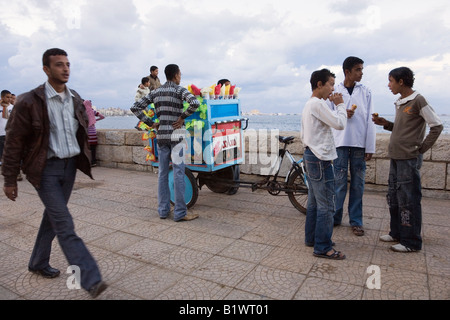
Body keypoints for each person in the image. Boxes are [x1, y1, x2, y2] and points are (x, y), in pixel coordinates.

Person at [1, 48, 107, 298]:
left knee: (52, 217)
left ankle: (37, 261)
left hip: (69, 168)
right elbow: (14, 142)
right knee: (64, 223)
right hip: (45, 170)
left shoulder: (75, 98)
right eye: (59, 65)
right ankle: (91, 279)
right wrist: (9, 179)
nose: (66, 69)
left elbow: (82, 128)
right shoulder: (29, 102)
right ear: (46, 70)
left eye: (68, 64)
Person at [372, 67, 443, 253]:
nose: (389, 85)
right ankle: (396, 233)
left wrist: (420, 149)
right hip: (396, 156)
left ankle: (411, 241)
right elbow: (403, 129)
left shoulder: (418, 100)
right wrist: (386, 124)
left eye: (391, 81)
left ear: (401, 82)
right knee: (394, 198)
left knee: (408, 199)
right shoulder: (401, 102)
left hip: (408, 159)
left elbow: (436, 125)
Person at [131, 64, 200, 222]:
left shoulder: (156, 91)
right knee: (178, 173)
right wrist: (182, 117)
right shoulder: (179, 90)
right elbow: (195, 103)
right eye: (180, 74)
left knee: (162, 174)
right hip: (176, 136)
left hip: (161, 136)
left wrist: (151, 123)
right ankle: (180, 213)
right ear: (175, 75)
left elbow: (135, 107)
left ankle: (163, 211)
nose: (180, 77)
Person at [301, 68, 347, 260]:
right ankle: (322, 246)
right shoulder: (318, 104)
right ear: (319, 84)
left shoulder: (310, 104)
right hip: (320, 158)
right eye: (330, 84)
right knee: (327, 205)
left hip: (311, 155)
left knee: (314, 203)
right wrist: (341, 105)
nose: (332, 89)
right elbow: (339, 124)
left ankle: (312, 238)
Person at [329, 57, 376, 236]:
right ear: (347, 72)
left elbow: (369, 120)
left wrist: (369, 147)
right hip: (340, 143)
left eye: (361, 69)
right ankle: (335, 216)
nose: (361, 73)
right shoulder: (335, 91)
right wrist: (340, 113)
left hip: (358, 144)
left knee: (358, 184)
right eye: (358, 69)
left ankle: (356, 220)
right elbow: (327, 114)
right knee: (339, 183)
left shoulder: (366, 92)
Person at [84, 100, 105, 167]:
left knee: (87, 149)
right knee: (93, 149)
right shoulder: (93, 111)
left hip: (87, 132)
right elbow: (102, 117)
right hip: (93, 132)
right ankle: (93, 162)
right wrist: (95, 120)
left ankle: (88, 162)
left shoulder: (83, 112)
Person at [0, 90, 13, 166]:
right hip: (1, 132)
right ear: (2, 97)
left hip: (10, 132)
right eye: (7, 97)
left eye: (10, 97)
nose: (9, 99)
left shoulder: (12, 107)